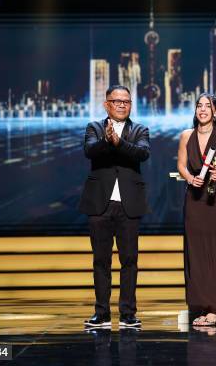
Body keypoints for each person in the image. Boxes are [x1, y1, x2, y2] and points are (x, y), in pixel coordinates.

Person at [79, 84, 150, 329]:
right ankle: (102, 314)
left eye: (126, 101)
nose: (122, 105)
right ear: (107, 104)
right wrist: (108, 141)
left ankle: (128, 314)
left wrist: (118, 142)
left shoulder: (140, 129)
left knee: (129, 260)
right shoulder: (94, 128)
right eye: (117, 101)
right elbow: (90, 150)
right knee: (101, 261)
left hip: (129, 204)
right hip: (100, 204)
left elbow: (142, 154)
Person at [177, 93, 216, 326]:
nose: (202, 110)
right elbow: (181, 164)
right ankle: (201, 306)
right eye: (199, 106)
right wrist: (191, 179)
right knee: (197, 253)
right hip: (195, 200)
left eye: (207, 106)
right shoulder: (185, 136)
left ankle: (215, 309)